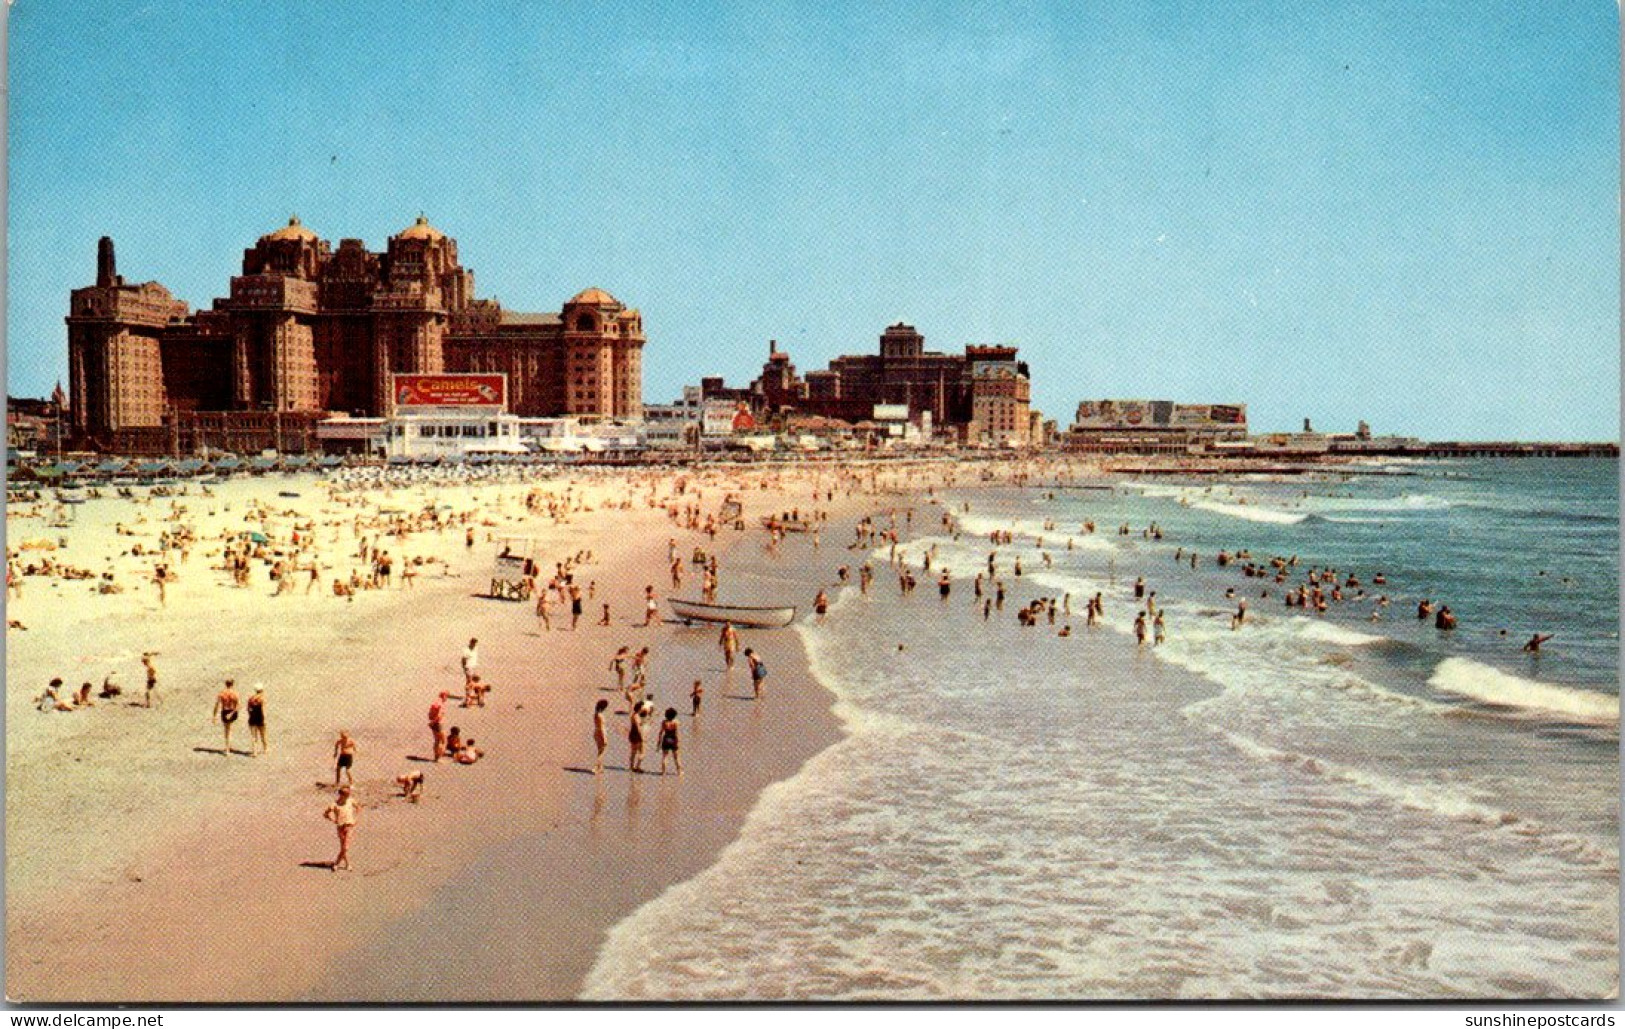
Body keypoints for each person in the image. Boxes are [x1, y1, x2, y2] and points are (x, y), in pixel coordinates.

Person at [323, 787, 357, 872]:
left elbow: (358, 807)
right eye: (346, 795)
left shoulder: (350, 801)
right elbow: (325, 814)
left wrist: (355, 818)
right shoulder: (334, 804)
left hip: (349, 826)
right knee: (343, 847)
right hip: (340, 827)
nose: (348, 797)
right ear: (341, 795)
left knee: (346, 847)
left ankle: (336, 863)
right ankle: (347, 864)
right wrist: (333, 820)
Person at [212, 679, 241, 755]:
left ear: (226, 684)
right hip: (232, 711)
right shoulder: (235, 693)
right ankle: (228, 747)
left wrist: (214, 716)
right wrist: (232, 713)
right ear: (232, 684)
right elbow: (238, 705)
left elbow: (217, 705)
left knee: (227, 730)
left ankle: (227, 747)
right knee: (229, 729)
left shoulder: (222, 693)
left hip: (225, 712)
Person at [659, 708, 682, 776]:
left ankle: (663, 772)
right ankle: (679, 772)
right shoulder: (676, 722)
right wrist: (678, 742)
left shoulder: (664, 722)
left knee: (665, 757)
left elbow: (660, 733)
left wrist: (659, 742)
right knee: (676, 757)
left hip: (666, 739)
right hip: (673, 739)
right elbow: (677, 733)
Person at [247, 685, 268, 754]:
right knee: (263, 734)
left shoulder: (251, 698)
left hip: (252, 718)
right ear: (262, 690)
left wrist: (251, 715)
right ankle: (265, 749)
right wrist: (264, 719)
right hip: (260, 718)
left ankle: (254, 751)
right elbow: (263, 710)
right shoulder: (262, 699)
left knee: (254, 736)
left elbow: (248, 709)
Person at [429, 691, 449, 762]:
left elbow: (430, 714)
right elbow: (439, 716)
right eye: (447, 696)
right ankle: (439, 757)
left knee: (437, 740)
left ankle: (436, 757)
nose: (447, 698)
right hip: (438, 723)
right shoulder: (441, 704)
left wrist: (431, 722)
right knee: (443, 741)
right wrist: (433, 722)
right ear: (444, 696)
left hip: (433, 724)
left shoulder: (435, 703)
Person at [592, 699, 610, 775]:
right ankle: (596, 767)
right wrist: (604, 738)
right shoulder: (600, 716)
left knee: (600, 750)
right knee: (601, 752)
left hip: (596, 732)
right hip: (601, 733)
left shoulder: (596, 714)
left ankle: (600, 767)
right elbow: (602, 727)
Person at [627, 705, 646, 773]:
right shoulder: (636, 716)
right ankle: (637, 766)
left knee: (633, 752)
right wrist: (642, 736)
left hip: (633, 733)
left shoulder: (634, 715)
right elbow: (638, 728)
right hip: (636, 735)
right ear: (639, 708)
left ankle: (632, 767)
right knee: (642, 752)